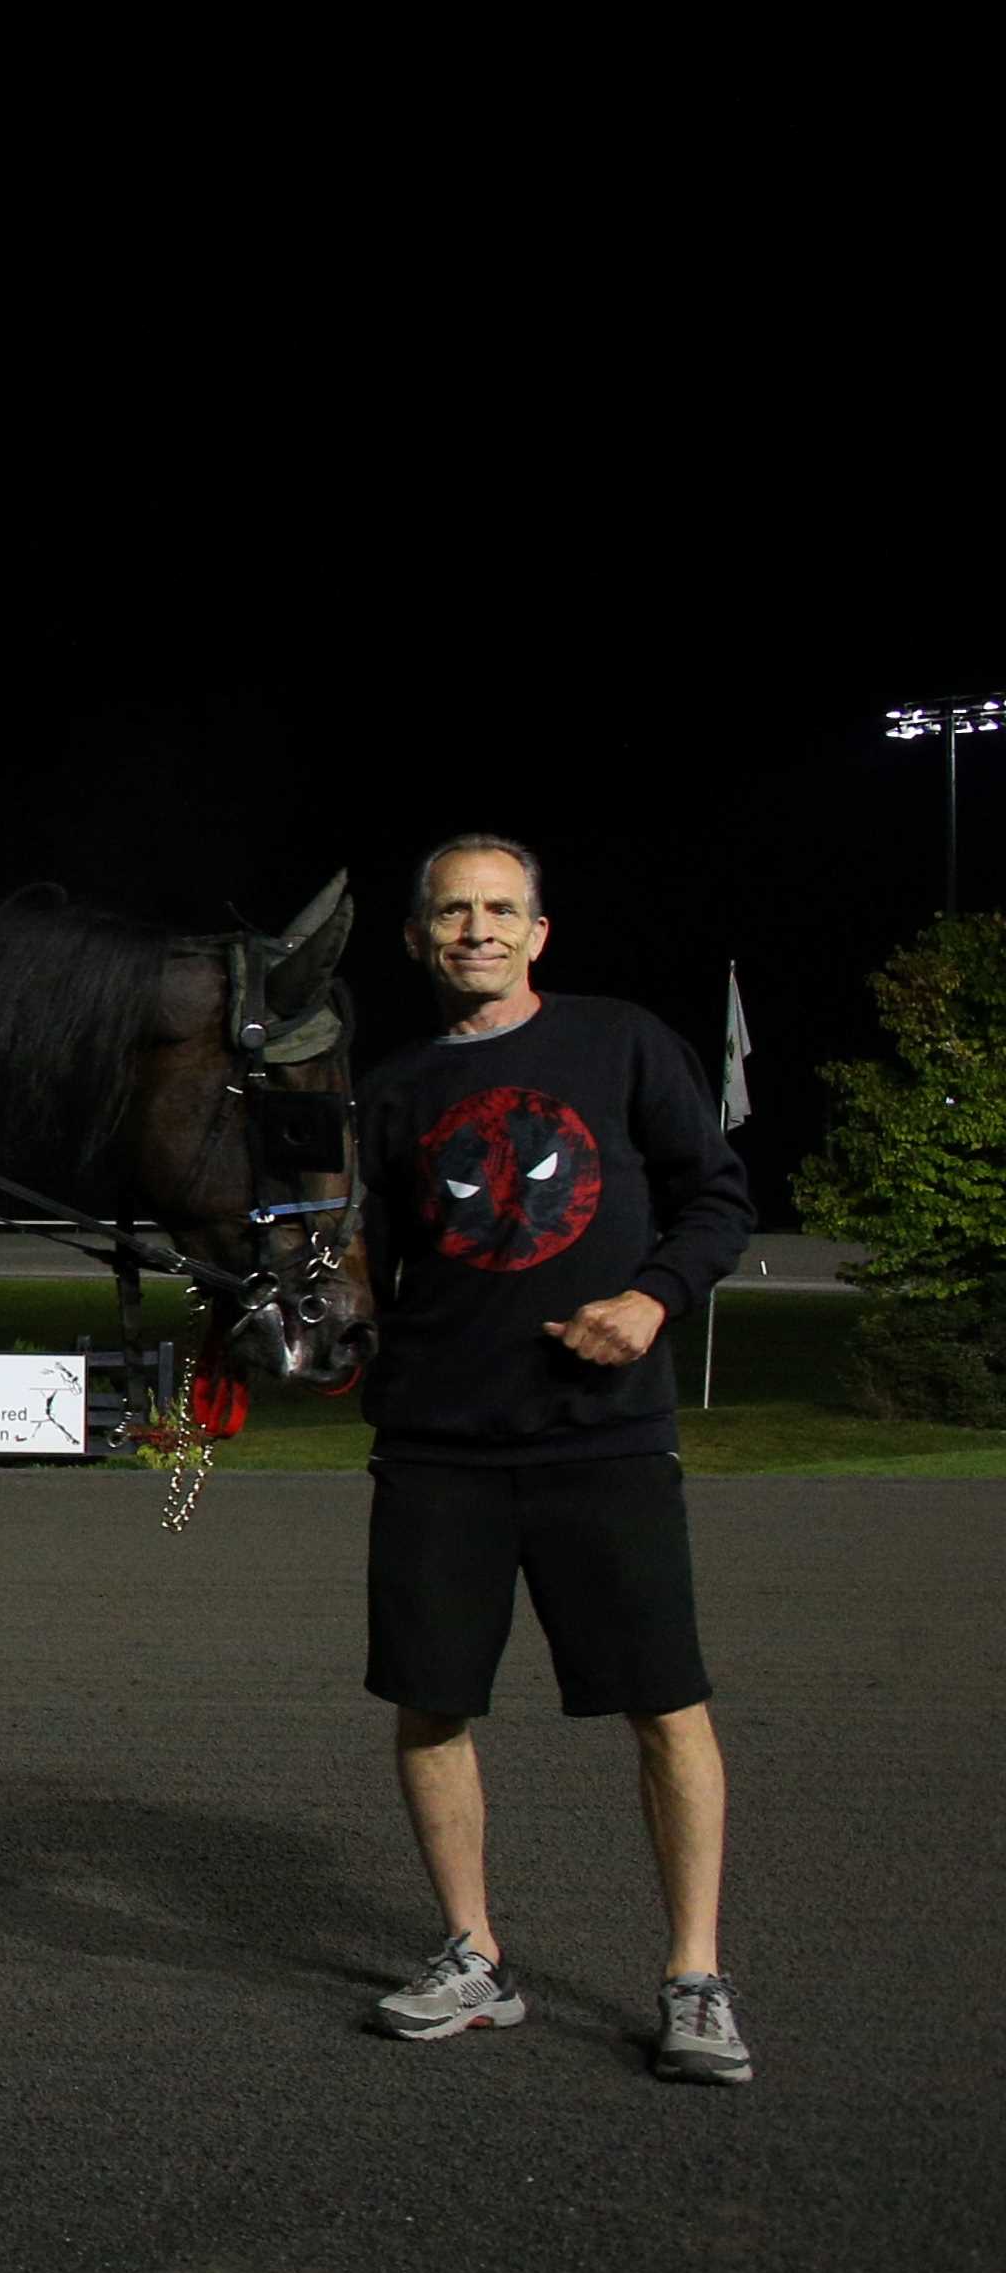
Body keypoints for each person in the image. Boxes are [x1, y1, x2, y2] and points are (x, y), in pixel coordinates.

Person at [354, 833, 760, 2082]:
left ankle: (694, 1979)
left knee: (668, 1709)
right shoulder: (395, 1088)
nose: (475, 928)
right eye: (452, 912)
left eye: (500, 909)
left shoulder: (623, 1042)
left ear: (538, 932)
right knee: (432, 1705)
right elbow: (364, 1264)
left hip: (605, 1438)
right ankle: (472, 1957)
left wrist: (651, 1302)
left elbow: (718, 1198)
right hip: (439, 1446)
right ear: (420, 938)